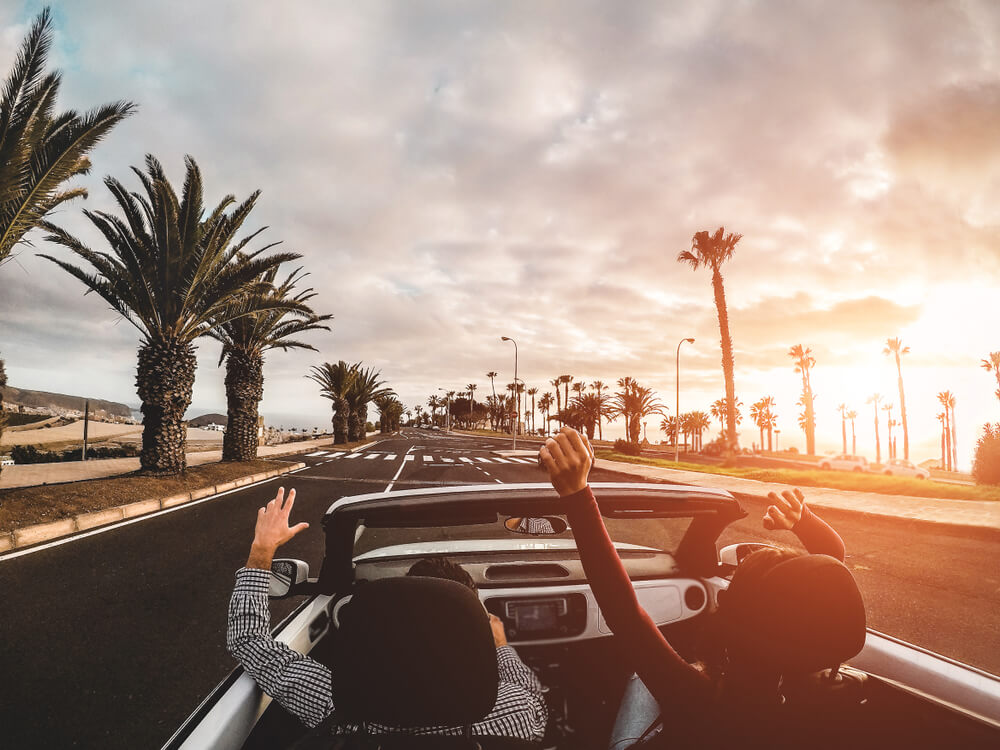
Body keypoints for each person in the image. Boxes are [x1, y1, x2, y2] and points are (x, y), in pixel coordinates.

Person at [537, 427, 866, 749]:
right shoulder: (828, 688)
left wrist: (578, 496)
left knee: (641, 677)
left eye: (733, 589)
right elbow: (830, 568)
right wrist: (803, 519)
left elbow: (624, 613)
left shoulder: (704, 698)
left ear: (737, 626)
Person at [227, 487, 548, 742]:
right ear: (472, 633)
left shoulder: (340, 704)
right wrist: (502, 648)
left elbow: (249, 641)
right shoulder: (516, 711)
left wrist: (262, 549)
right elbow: (537, 701)